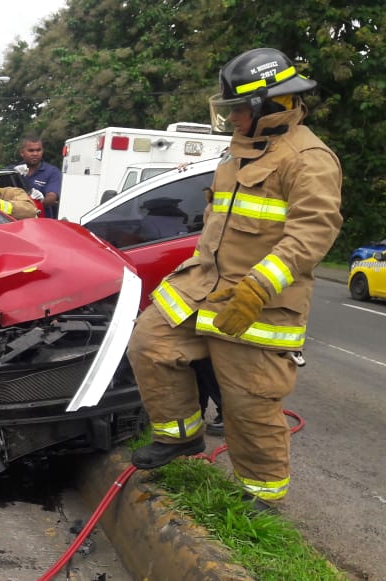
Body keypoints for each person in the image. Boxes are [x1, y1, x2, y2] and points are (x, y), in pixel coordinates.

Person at [126, 48, 343, 509]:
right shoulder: (239, 152)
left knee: (248, 401)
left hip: (259, 296)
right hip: (204, 284)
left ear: (272, 105)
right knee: (150, 342)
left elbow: (313, 232)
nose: (234, 117)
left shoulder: (309, 158)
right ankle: (181, 436)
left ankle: (263, 494)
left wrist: (259, 285)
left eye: (240, 108)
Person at [9, 134, 62, 218]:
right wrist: (13, 173)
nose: (35, 154)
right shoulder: (12, 170)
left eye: (38, 150)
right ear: (22, 153)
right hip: (15, 222)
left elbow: (52, 197)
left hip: (41, 222)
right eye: (31, 150)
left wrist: (40, 201)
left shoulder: (52, 172)